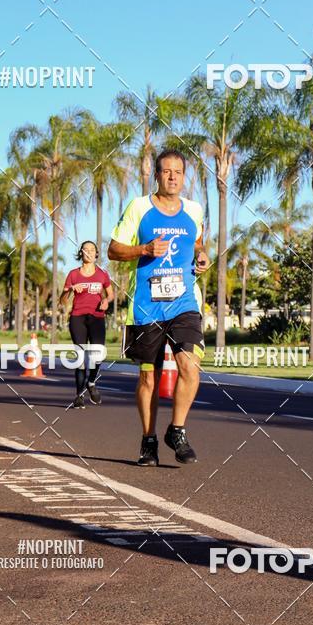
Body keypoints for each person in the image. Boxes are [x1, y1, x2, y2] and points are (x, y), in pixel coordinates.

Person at [108, 149, 209, 466]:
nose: (173, 177)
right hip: (146, 307)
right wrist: (144, 249)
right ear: (157, 174)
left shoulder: (193, 209)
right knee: (149, 378)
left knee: (190, 367)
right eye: (167, 171)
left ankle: (176, 430)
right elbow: (113, 249)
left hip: (184, 303)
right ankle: (149, 440)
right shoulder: (139, 207)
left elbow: (197, 241)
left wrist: (202, 255)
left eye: (178, 172)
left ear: (184, 175)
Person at [60, 241, 114, 409]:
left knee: (98, 354)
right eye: (86, 249)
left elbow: (111, 294)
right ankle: (79, 395)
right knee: (81, 358)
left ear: (96, 254)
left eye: (92, 250)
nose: (89, 252)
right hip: (78, 318)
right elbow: (62, 301)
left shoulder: (102, 274)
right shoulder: (73, 274)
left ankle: (91, 382)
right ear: (81, 253)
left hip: (97, 317)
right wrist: (70, 290)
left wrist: (106, 300)